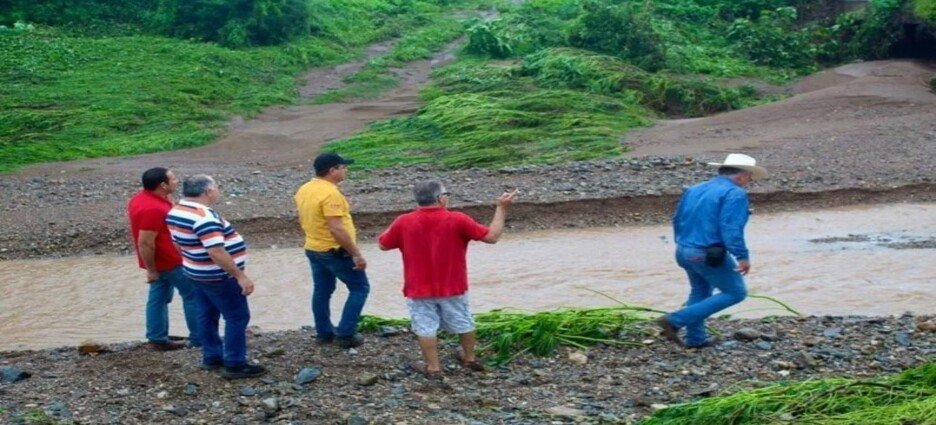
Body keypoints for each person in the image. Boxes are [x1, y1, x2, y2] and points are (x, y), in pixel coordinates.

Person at [378, 180, 517, 378]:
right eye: (446, 194)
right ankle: (469, 358)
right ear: (440, 199)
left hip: (418, 288)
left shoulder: (404, 221)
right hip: (453, 286)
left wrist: (398, 225)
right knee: (463, 320)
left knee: (425, 327)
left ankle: (433, 368)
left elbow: (383, 244)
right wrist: (501, 208)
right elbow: (492, 236)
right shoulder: (457, 219)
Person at [657, 153, 768, 348]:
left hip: (684, 250)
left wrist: (684, 243)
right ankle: (675, 320)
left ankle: (696, 339)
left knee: (700, 291)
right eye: (749, 178)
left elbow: (677, 219)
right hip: (706, 253)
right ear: (741, 176)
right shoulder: (735, 193)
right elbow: (731, 228)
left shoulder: (694, 189)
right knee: (735, 292)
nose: (749, 182)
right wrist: (742, 256)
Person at [166, 175, 265, 379]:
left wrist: (193, 259)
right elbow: (216, 251)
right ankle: (235, 363)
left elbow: (177, 243)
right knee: (237, 316)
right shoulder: (204, 217)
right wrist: (240, 276)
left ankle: (212, 356)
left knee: (206, 314)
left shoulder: (176, 210)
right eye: (216, 187)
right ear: (208, 191)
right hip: (217, 275)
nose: (218, 191)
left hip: (194, 271)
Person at [295, 153, 370, 348]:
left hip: (313, 247)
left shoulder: (305, 189)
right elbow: (336, 228)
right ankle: (345, 334)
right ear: (332, 170)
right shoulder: (331, 194)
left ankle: (323, 333)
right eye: (343, 167)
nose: (346, 170)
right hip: (333, 251)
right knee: (360, 287)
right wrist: (356, 254)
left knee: (322, 291)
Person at [127, 167, 200, 351]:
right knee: (193, 295)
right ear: (162, 185)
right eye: (173, 179)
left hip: (160, 261)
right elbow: (145, 242)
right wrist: (152, 270)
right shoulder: (153, 208)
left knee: (158, 298)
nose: (177, 181)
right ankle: (199, 338)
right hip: (169, 260)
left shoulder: (142, 198)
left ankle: (157, 338)